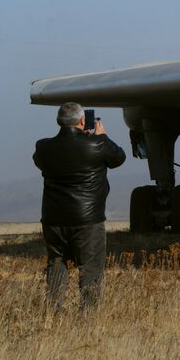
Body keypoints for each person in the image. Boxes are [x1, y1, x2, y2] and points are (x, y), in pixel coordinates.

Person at [33, 102, 126, 309]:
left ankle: (53, 312)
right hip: (88, 219)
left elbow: (39, 161)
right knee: (90, 268)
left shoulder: (43, 147)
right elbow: (119, 158)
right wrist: (101, 137)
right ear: (83, 121)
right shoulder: (97, 145)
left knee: (57, 263)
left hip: (53, 218)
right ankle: (87, 317)